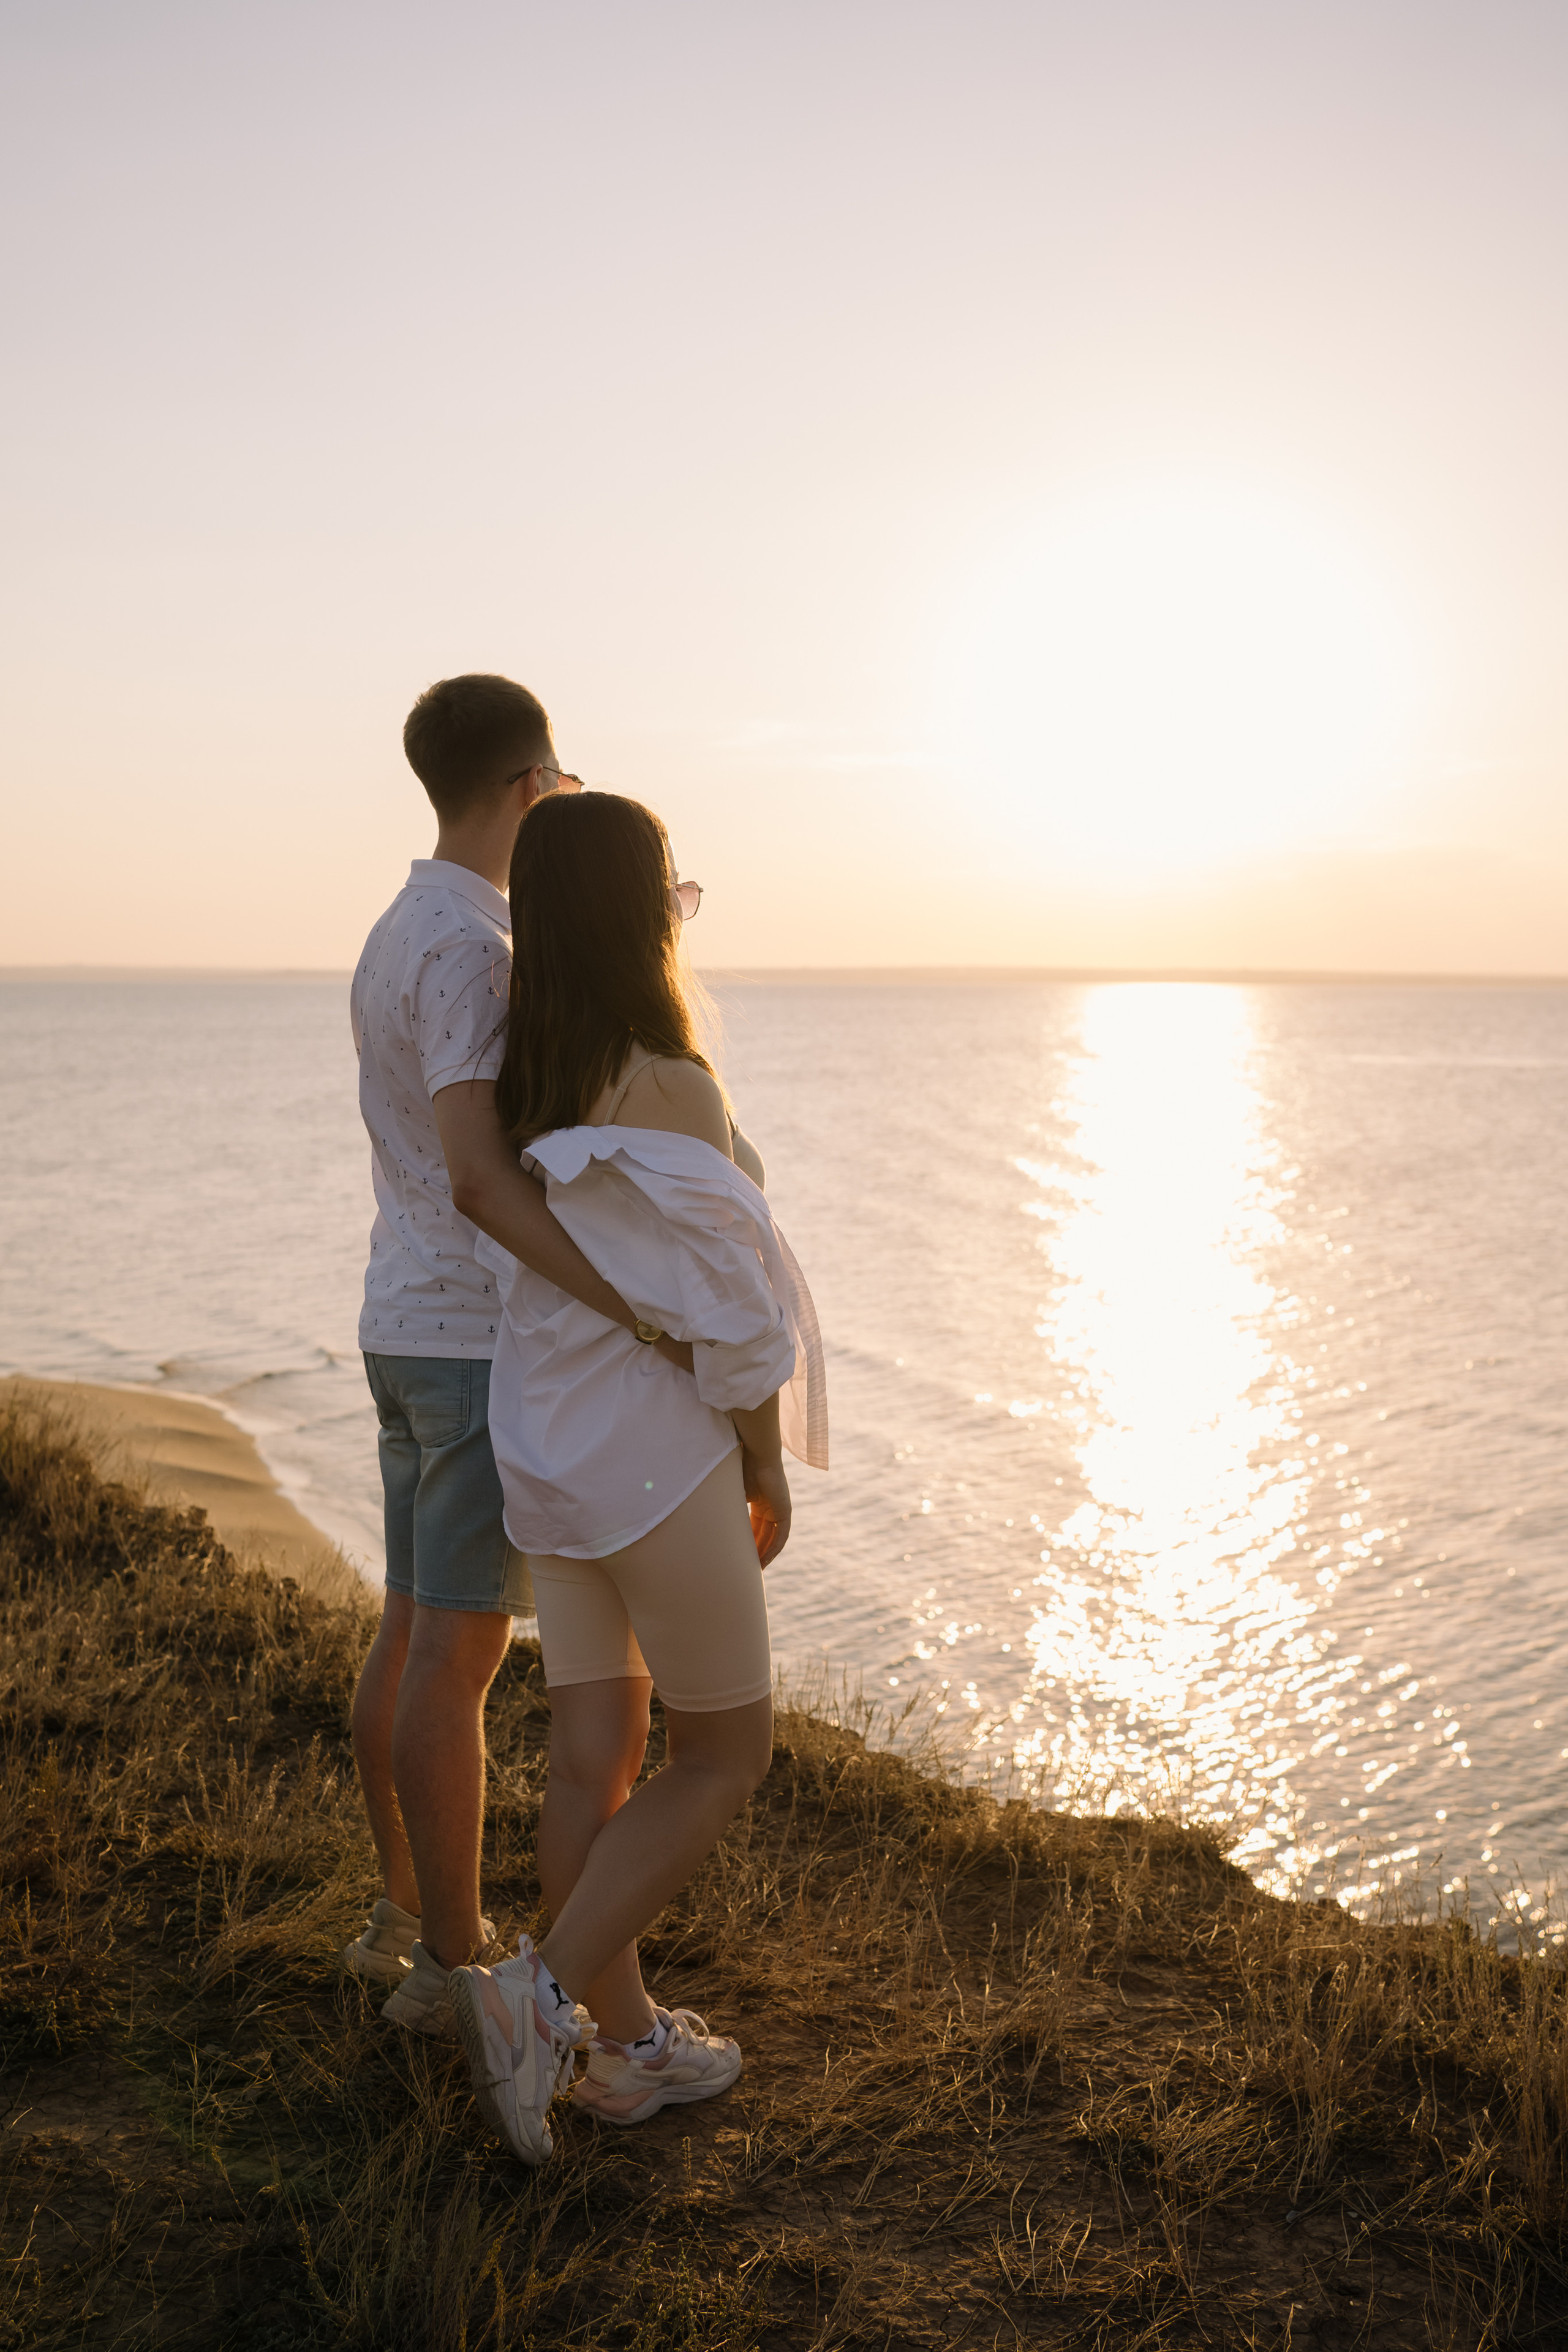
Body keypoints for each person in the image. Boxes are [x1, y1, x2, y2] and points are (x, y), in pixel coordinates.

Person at [443, 786, 827, 2165]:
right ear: (637, 907)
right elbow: (737, 1318)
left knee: (593, 1761)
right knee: (726, 1751)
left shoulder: (526, 1067)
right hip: (652, 1464)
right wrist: (766, 1457)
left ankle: (625, 2052)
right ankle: (536, 2002)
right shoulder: (666, 1081)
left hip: (543, 1444)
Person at [342, 673, 698, 2032]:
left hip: (399, 1322)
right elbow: (483, 1179)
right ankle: (446, 1962)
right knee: (460, 1659)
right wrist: (622, 1301)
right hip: (465, 1344)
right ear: (530, 783)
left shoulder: (399, 927)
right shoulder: (471, 954)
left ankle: (400, 1917)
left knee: (410, 1635)